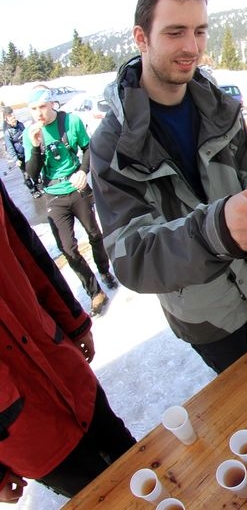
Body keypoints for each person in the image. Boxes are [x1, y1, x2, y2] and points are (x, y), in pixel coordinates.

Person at [89, 0, 247, 374]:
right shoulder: (113, 144)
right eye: (175, 32)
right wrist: (217, 231)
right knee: (243, 402)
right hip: (204, 314)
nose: (192, 47)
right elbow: (133, 257)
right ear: (141, 38)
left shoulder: (218, 105)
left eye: (200, 31)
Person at [0, 179, 135, 501]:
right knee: (100, 498)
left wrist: (72, 322)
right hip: (20, 428)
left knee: (140, 466)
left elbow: (25, 250)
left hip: (62, 365)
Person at [23, 86, 117, 317]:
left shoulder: (71, 122)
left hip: (78, 188)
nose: (39, 114)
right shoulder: (30, 133)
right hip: (54, 193)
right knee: (68, 249)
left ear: (52, 104)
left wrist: (83, 171)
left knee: (94, 234)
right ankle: (94, 291)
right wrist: (35, 148)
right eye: (33, 109)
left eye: (42, 107)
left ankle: (104, 270)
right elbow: (32, 174)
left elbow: (88, 149)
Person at [3, 105, 43, 198]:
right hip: (20, 157)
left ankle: (38, 185)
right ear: (7, 120)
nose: (13, 118)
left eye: (13, 115)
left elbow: (27, 136)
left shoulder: (20, 124)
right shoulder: (8, 133)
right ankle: (33, 191)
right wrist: (16, 159)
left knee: (35, 169)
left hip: (28, 153)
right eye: (10, 117)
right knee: (26, 174)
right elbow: (10, 148)